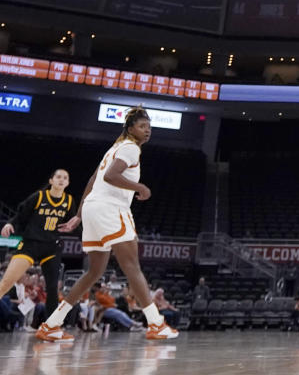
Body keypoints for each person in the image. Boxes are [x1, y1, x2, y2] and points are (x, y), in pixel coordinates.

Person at [36, 107, 178, 342]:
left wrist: (80, 214)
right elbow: (111, 176)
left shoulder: (114, 148)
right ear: (131, 128)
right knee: (132, 266)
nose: (147, 130)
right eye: (142, 126)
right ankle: (156, 323)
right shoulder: (130, 148)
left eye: (149, 127)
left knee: (94, 271)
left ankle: (52, 324)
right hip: (110, 208)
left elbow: (94, 179)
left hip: (93, 208)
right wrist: (140, 187)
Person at [0, 169, 80, 331]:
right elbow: (21, 215)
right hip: (30, 244)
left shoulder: (69, 201)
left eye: (65, 178)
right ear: (51, 181)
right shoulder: (39, 197)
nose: (61, 180)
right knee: (7, 282)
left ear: (68, 183)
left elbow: (72, 224)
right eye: (58, 177)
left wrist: (75, 229)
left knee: (52, 288)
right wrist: (10, 224)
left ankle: (51, 328)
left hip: (51, 246)